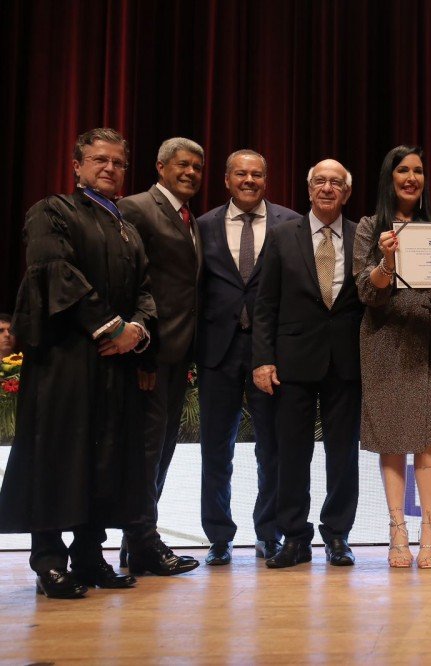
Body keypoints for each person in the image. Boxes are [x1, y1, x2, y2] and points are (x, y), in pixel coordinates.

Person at [0, 128, 154, 598]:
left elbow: (146, 290)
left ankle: (90, 556)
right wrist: (112, 327)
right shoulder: (53, 211)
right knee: (56, 455)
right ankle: (49, 561)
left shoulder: (127, 226)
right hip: (63, 361)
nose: (110, 168)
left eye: (118, 162)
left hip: (115, 363)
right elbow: (56, 273)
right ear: (77, 165)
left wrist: (138, 331)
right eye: (99, 159)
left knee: (106, 458)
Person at [352, 145, 431, 569]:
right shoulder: (371, 228)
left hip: (430, 339)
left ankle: (430, 528)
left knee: (429, 439)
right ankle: (397, 530)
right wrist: (387, 261)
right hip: (384, 340)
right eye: (403, 170)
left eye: (419, 171)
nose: (412, 178)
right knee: (391, 440)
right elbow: (366, 293)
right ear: (389, 177)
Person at [252, 159, 363, 569]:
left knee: (342, 454)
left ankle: (338, 536)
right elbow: (264, 304)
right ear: (309, 188)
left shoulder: (361, 235)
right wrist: (262, 359)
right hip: (292, 362)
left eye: (337, 182)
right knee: (291, 454)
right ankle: (294, 537)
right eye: (321, 181)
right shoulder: (282, 236)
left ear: (346, 193)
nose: (328, 188)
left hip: (347, 361)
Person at [196, 150, 299, 565]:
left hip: (269, 352)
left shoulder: (290, 223)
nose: (250, 180)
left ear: (267, 179)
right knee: (215, 450)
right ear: (226, 179)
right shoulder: (202, 226)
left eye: (257, 174)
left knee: (270, 450)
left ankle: (268, 533)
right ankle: (219, 536)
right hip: (217, 351)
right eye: (241, 173)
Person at [117, 137, 204, 576]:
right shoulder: (137, 208)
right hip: (150, 355)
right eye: (182, 165)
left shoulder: (191, 218)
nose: (190, 173)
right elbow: (132, 284)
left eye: (196, 168)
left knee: (163, 447)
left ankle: (139, 541)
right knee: (147, 450)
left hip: (179, 354)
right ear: (160, 166)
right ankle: (141, 540)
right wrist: (144, 354)